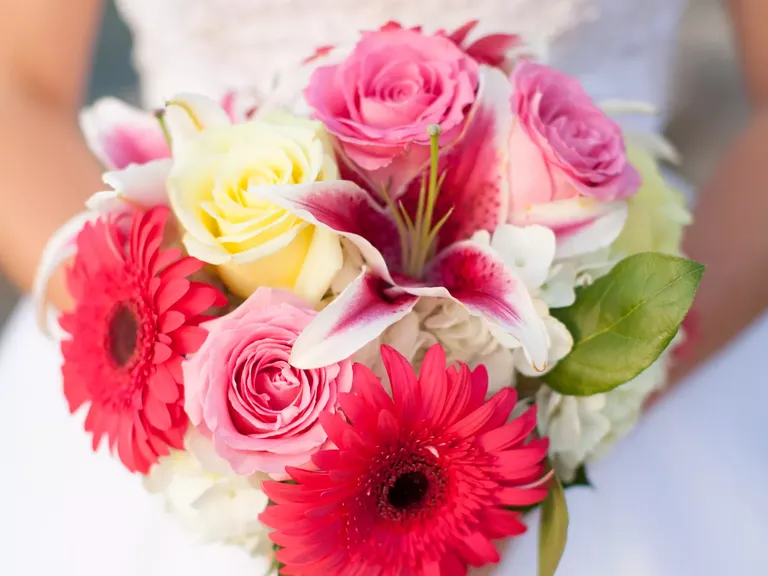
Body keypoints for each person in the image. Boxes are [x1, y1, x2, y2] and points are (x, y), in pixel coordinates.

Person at [0, 1, 765, 574]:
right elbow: (17, 90)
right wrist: (187, 380)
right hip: (199, 416)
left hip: (624, 375)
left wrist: (599, 387)